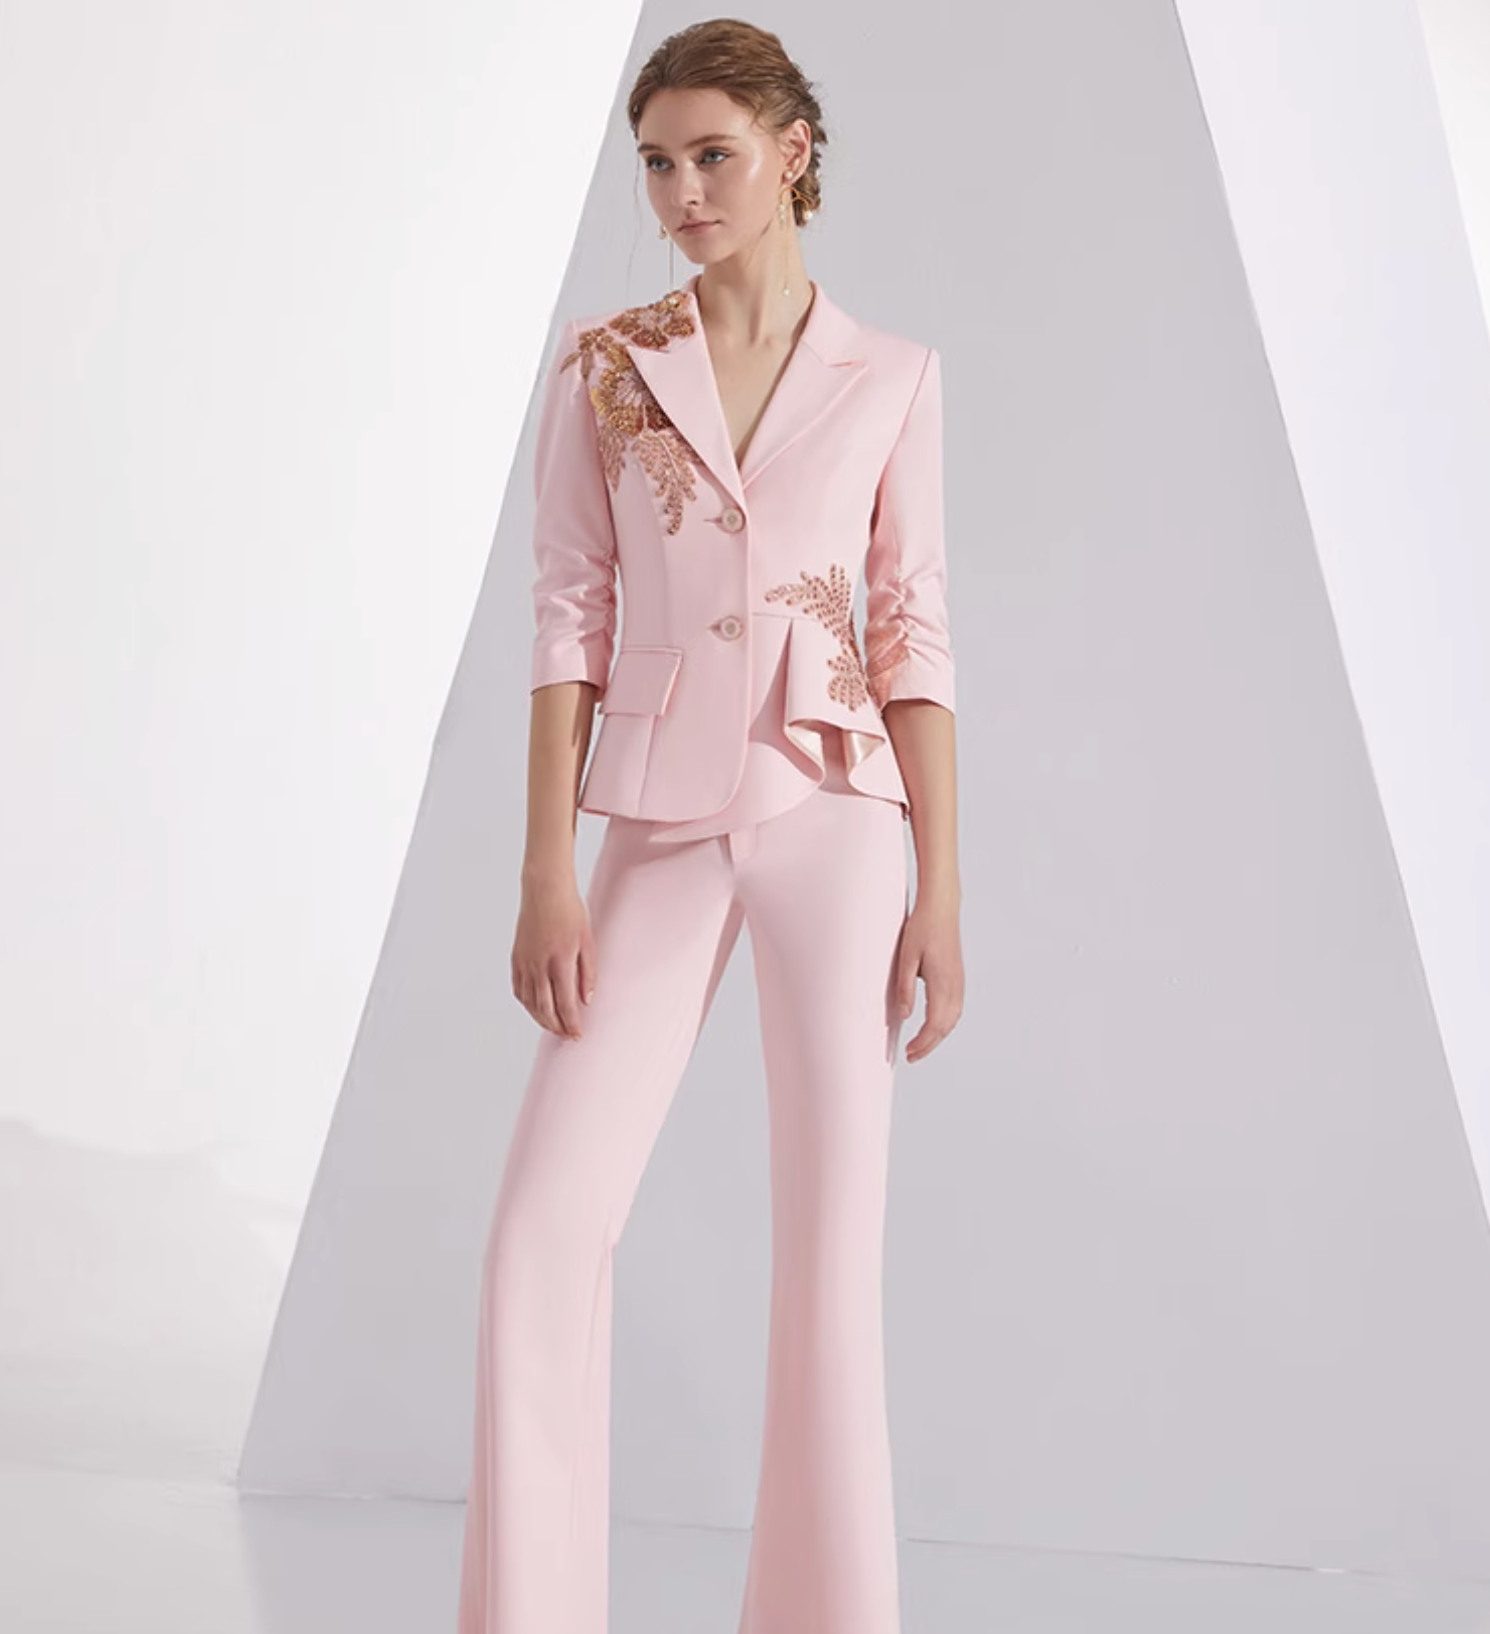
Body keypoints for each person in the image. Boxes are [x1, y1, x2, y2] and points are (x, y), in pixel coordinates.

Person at [457, 18, 963, 1634]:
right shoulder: (606, 366)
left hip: (841, 816)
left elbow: (913, 634)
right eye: (659, 164)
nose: (683, 190)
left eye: (712, 156)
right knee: (542, 1230)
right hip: (655, 820)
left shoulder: (892, 377)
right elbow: (567, 615)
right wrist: (546, 867)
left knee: (831, 1257)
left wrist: (942, 891)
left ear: (792, 151)